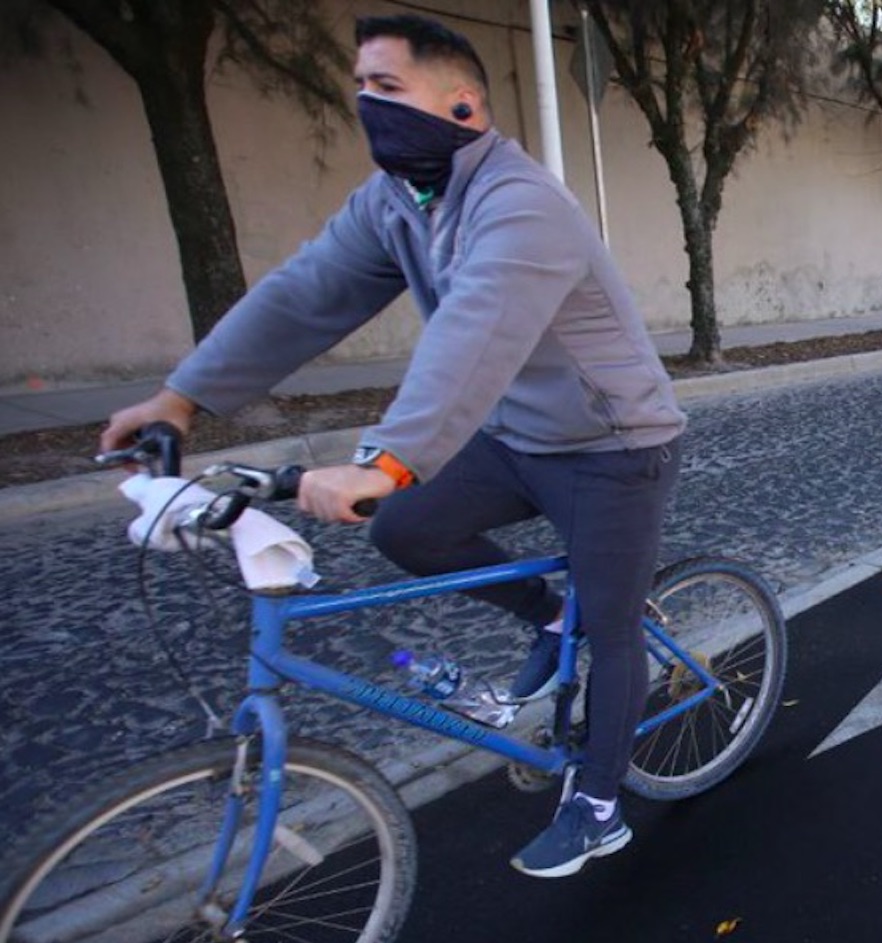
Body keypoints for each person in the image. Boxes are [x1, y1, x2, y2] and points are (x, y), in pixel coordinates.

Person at [100, 13, 685, 879]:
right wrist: (181, 398)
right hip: (518, 438)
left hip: (613, 445)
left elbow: (476, 332)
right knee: (408, 531)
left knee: (613, 626)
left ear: (462, 105)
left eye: (387, 86)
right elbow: (303, 296)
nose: (366, 103)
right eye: (361, 86)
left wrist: (385, 460)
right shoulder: (400, 202)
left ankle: (599, 805)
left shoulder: (523, 205)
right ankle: (552, 614)